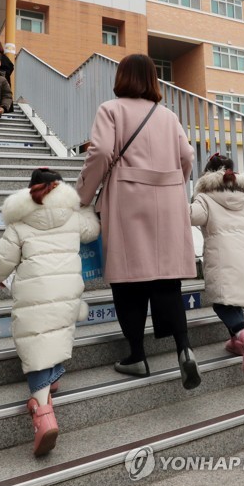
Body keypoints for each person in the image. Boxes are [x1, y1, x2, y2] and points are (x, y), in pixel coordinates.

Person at [76, 53, 201, 390]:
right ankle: (184, 348)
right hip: (169, 199)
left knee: (128, 280)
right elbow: (187, 157)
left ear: (122, 77)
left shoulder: (111, 109)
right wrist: (175, 182)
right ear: (152, 81)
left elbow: (101, 152)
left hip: (128, 198)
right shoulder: (168, 115)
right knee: (167, 279)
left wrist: (83, 196)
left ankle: (137, 356)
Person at [0, 167, 100, 456]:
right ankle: (53, 377)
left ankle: (43, 411)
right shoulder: (72, 217)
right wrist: (85, 207)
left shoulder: (20, 222)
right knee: (55, 332)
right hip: (67, 292)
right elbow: (93, 230)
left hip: (34, 293)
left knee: (37, 339)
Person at [190, 153, 244, 375]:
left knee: (222, 304)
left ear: (208, 173)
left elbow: (192, 216)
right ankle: (236, 341)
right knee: (233, 301)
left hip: (221, 258)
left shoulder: (205, 197)